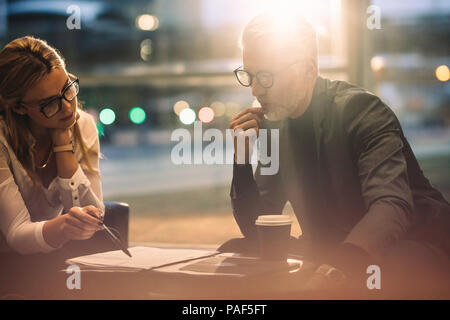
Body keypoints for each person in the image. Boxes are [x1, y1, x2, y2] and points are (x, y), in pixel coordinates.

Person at [222, 13, 450, 298]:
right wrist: (242, 161)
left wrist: (335, 268)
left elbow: (391, 205)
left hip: (411, 243)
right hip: (332, 246)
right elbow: (261, 225)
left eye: (266, 76)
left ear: (307, 69)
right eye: (249, 75)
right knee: (235, 249)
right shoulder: (273, 125)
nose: (255, 89)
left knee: (388, 268)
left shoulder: (362, 111)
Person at [0, 36, 105, 297]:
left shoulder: (80, 125)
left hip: (51, 260)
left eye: (67, 88)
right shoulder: (3, 137)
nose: (68, 106)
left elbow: (94, 212)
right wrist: (63, 227)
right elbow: (15, 235)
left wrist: (62, 144)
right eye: (49, 103)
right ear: (20, 108)